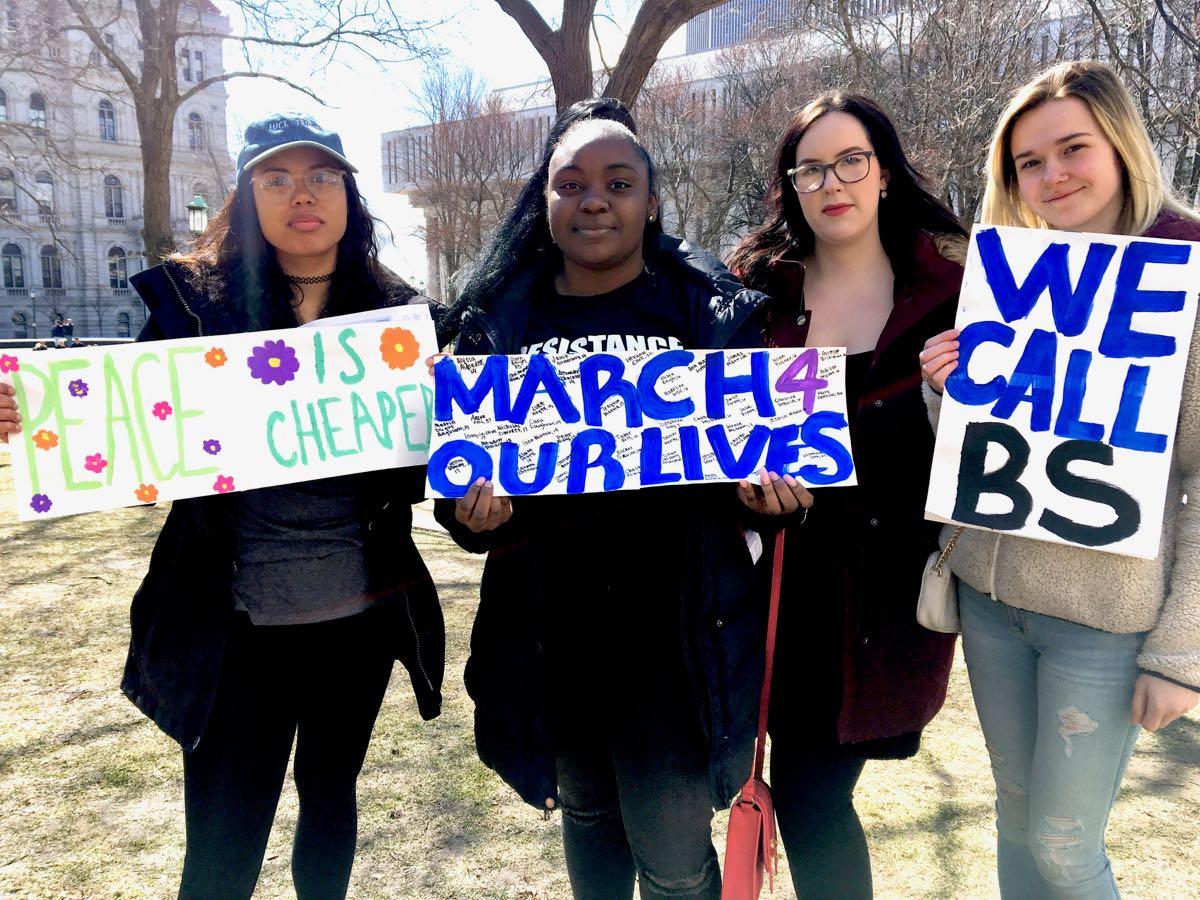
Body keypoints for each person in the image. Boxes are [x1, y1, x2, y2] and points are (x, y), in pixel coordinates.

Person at [0, 113, 445, 900]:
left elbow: (420, 466)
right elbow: (126, 418)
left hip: (359, 622)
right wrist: (36, 415)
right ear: (247, 197)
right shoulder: (190, 308)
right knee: (222, 843)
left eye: (321, 177)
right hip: (230, 626)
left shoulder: (402, 318)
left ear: (348, 194)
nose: (300, 195)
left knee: (331, 803)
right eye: (275, 179)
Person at [434, 99, 810, 900]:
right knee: (590, 827)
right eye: (569, 183)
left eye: (617, 181)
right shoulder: (496, 321)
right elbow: (461, 491)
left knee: (675, 865)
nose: (593, 199)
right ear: (544, 199)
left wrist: (774, 503)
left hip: (675, 646)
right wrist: (472, 517)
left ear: (649, 199)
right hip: (550, 641)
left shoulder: (709, 311)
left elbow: (756, 484)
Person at [920, 60, 1200, 899]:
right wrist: (948, 395)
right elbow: (991, 450)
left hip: (1104, 624)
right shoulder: (1014, 276)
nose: (1051, 176)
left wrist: (1182, 651)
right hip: (994, 601)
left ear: (1121, 144)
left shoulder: (1183, 273)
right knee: (1013, 817)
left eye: (1072, 148)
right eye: (1027, 163)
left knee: (1064, 848)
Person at [727, 92, 966, 898]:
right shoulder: (752, 303)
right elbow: (711, 443)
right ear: (790, 187)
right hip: (775, 595)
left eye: (851, 161)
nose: (833, 182)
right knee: (805, 797)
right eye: (810, 169)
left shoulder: (955, 298)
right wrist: (746, 497)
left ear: (886, 173)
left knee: (814, 796)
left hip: (887, 607)